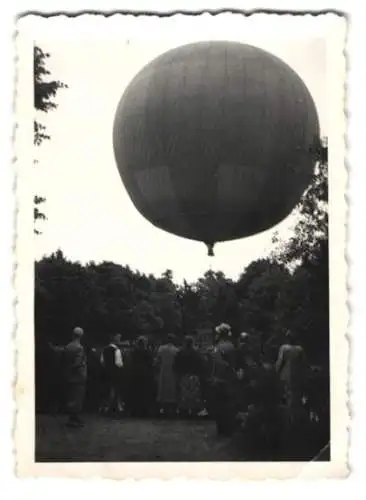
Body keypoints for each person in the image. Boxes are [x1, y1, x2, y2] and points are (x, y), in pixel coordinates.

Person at [49, 326, 87, 428]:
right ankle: (74, 418)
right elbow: (78, 362)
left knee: (71, 397)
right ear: (81, 336)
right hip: (78, 376)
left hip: (68, 376)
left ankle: (72, 417)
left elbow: (63, 360)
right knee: (77, 397)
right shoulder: (79, 348)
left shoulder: (68, 346)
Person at [275, 331, 308, 426]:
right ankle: (294, 419)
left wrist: (275, 373)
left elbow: (279, 363)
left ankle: (289, 419)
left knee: (287, 397)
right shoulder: (299, 349)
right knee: (295, 398)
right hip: (297, 377)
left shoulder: (284, 348)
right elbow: (304, 364)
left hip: (285, 377)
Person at [174, 335, 204, 417]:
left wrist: (177, 374)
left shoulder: (180, 352)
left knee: (184, 394)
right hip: (194, 376)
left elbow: (176, 364)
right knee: (194, 395)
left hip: (183, 375)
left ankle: (184, 411)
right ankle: (194, 411)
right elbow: (200, 364)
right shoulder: (196, 353)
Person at [126, 336, 156, 417]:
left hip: (135, 374)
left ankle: (135, 410)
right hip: (145, 375)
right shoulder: (148, 352)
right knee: (145, 393)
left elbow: (130, 362)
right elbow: (151, 363)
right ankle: (144, 410)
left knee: (136, 392)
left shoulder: (134, 352)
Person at [155, 334, 179, 416]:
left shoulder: (161, 349)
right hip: (173, 371)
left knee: (163, 389)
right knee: (172, 390)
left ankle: (164, 408)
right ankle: (172, 409)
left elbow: (158, 360)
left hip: (163, 370)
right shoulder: (176, 350)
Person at [100, 333, 124, 416]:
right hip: (115, 373)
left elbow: (102, 361)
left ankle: (105, 408)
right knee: (115, 390)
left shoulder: (104, 349)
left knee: (107, 390)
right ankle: (115, 408)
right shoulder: (117, 350)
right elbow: (119, 364)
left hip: (106, 372)